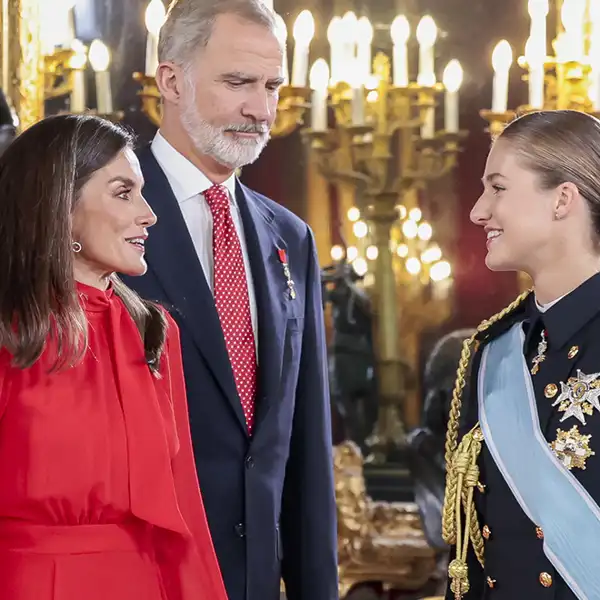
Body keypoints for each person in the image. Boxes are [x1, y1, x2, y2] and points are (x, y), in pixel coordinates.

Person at [120, 1, 338, 599]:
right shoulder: (97, 215)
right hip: (140, 572)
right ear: (170, 79)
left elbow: (304, 443)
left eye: (272, 85)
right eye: (238, 82)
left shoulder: (290, 236)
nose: (260, 109)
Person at [0, 114, 227, 600]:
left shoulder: (153, 332)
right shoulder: (11, 333)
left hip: (146, 584)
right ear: (60, 206)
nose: (149, 214)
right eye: (123, 193)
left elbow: (183, 505)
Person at [442, 109, 600, 600]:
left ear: (562, 199)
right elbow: (468, 560)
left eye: (498, 188)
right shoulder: (493, 351)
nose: (478, 211)